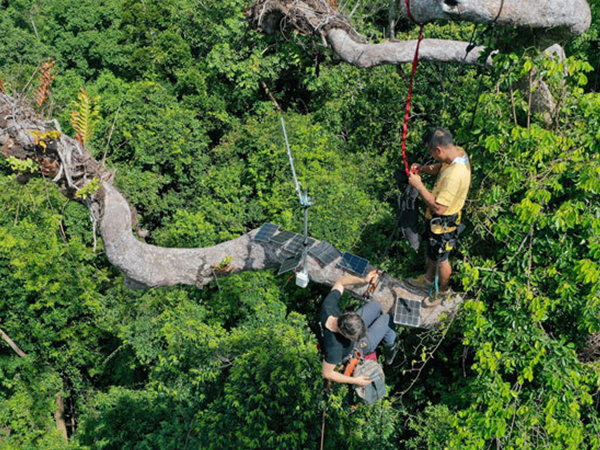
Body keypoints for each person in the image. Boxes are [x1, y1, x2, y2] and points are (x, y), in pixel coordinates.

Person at [406, 128, 471, 307]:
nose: (432, 157)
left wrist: (419, 186)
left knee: (442, 259)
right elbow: (440, 166)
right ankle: (427, 280)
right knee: (433, 253)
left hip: (444, 224)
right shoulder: (458, 153)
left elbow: (439, 207)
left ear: (438, 150)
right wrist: (423, 169)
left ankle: (442, 291)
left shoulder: (454, 176)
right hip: (436, 224)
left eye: (431, 153)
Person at [320, 270, 398, 386]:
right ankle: (389, 355)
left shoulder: (328, 308)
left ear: (347, 315)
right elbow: (327, 373)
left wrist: (364, 280)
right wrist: (356, 380)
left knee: (376, 305)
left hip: (350, 328)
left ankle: (378, 334)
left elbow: (341, 281)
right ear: (345, 335)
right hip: (356, 349)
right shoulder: (334, 349)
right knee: (387, 319)